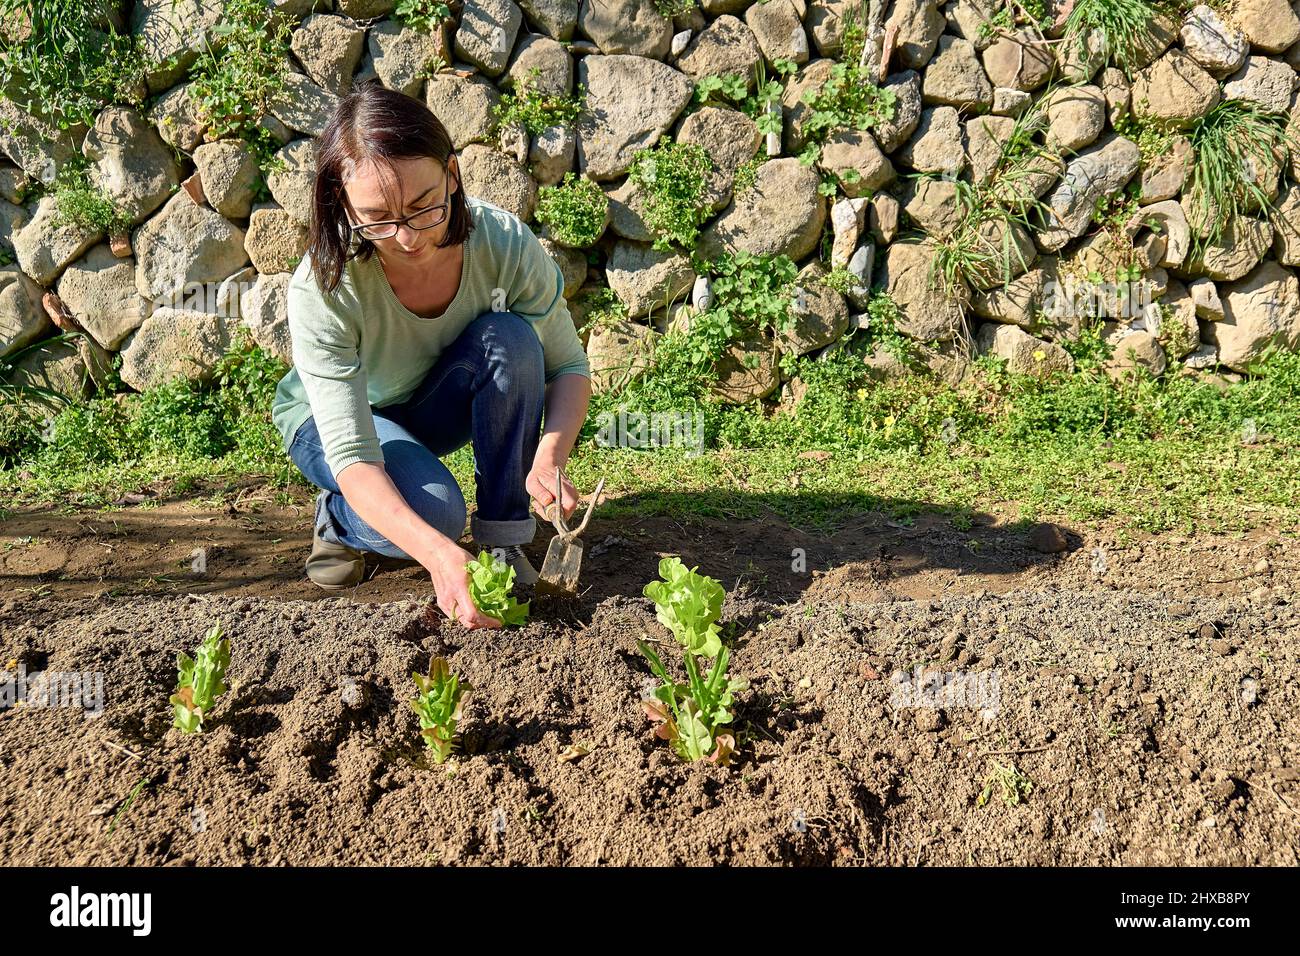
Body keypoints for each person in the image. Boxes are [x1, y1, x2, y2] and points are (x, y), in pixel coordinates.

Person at [270, 81, 592, 629]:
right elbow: (352, 453)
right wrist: (438, 553)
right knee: (435, 514)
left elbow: (568, 368)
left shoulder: (503, 244)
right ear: (343, 205)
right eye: (376, 218)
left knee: (511, 340)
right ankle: (339, 519)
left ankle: (504, 542)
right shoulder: (326, 287)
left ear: (453, 174)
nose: (407, 237)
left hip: (426, 406)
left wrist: (550, 457)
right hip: (334, 426)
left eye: (424, 208)